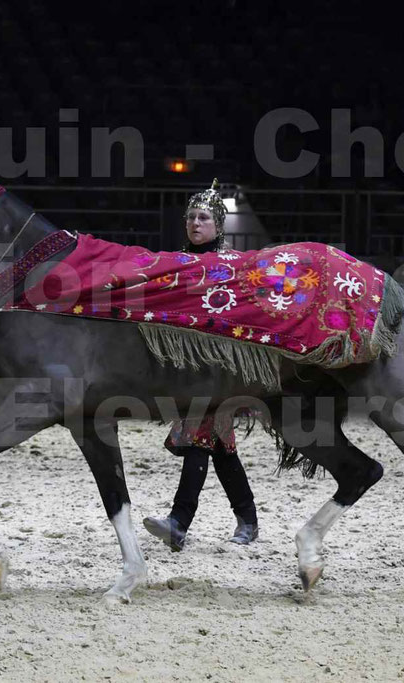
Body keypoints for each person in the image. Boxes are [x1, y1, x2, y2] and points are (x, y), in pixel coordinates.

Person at [142, 179, 259, 551]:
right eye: (191, 216)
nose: (195, 223)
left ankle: (178, 522)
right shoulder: (176, 263)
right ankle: (248, 519)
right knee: (220, 447)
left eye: (204, 217)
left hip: (220, 373)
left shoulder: (231, 265)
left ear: (218, 225)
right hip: (189, 374)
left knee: (198, 437)